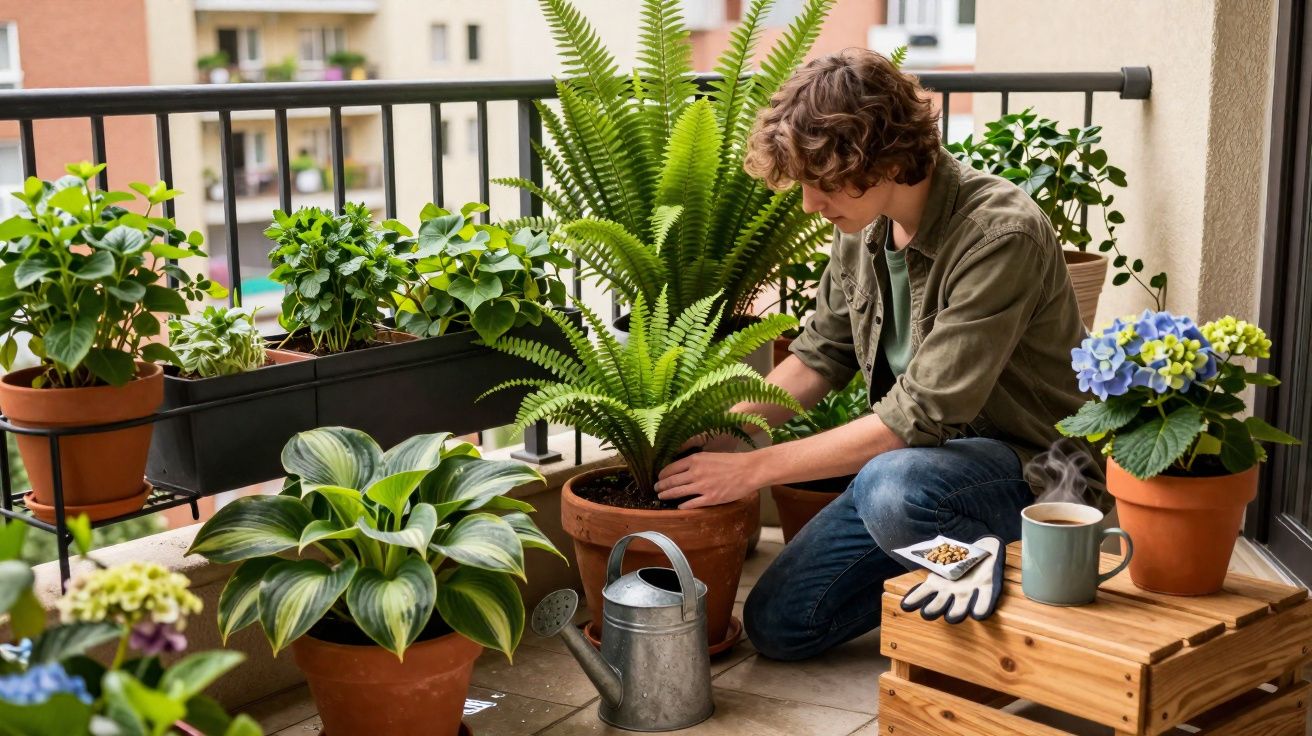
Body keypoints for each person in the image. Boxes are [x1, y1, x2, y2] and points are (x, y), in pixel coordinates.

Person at [651, 48, 1102, 661]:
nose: (810, 204)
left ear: (883, 157)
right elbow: (820, 355)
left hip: (1025, 475)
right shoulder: (862, 231)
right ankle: (944, 567)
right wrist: (729, 432)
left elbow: (915, 418)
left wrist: (752, 470)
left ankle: (1001, 578)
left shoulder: (1000, 234)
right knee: (782, 624)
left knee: (890, 487)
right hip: (922, 476)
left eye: (822, 183)